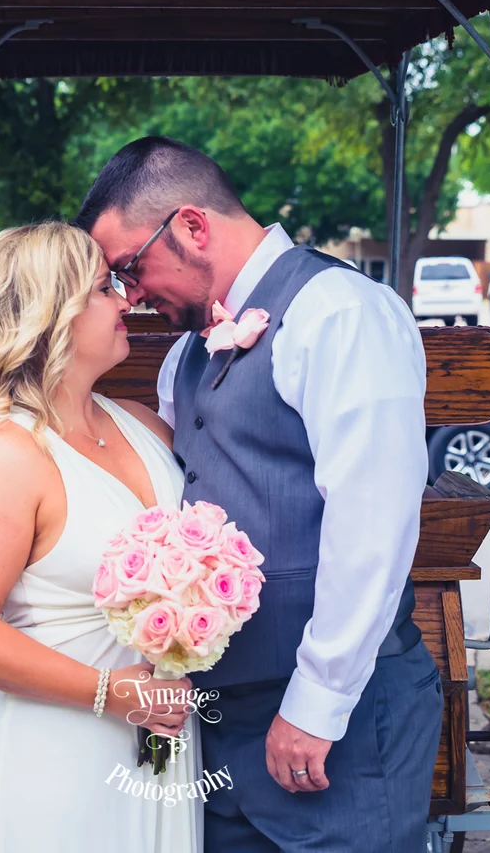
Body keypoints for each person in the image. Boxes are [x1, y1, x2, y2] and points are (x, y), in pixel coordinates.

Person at [77, 136, 442, 853]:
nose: (132, 293)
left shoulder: (339, 312)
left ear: (191, 226)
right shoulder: (184, 355)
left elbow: (373, 522)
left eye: (129, 266)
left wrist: (317, 703)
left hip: (335, 725)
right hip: (218, 726)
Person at [0, 222, 203, 852]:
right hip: (52, 757)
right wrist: (112, 693)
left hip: (162, 738)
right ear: (52, 314)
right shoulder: (8, 453)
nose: (126, 299)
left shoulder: (144, 426)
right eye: (105, 288)